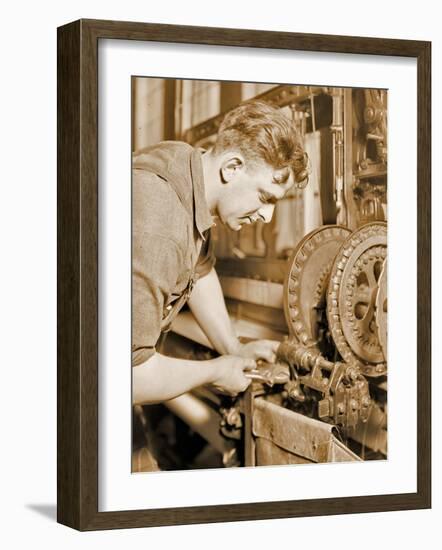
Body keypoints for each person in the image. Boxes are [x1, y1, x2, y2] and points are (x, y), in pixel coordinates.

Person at [132, 100, 308, 409]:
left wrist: (233, 349)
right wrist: (215, 371)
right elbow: (128, 376)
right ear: (232, 167)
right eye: (265, 197)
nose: (267, 217)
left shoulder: (187, 168)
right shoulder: (159, 223)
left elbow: (198, 270)